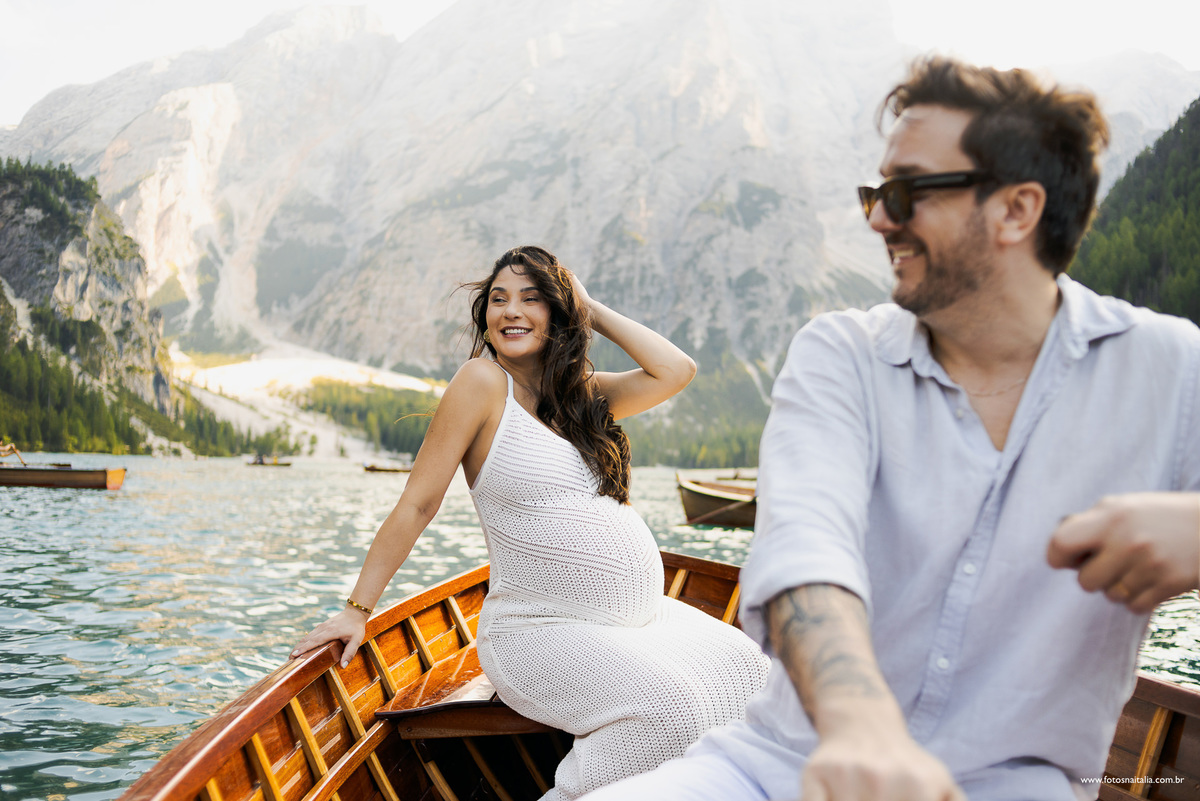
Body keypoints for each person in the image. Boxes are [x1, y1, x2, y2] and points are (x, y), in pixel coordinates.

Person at [581, 56, 1200, 801]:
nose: (877, 216)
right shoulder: (841, 353)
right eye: (875, 191)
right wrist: (858, 724)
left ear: (1016, 210)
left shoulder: (1173, 369)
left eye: (905, 191)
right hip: (781, 768)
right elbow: (805, 551)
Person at [291, 245, 769, 800]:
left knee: (754, 676)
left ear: (560, 314)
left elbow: (676, 370)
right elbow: (418, 505)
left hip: (635, 625)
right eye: (498, 300)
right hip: (536, 633)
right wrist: (357, 610)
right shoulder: (482, 383)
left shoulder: (582, 395)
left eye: (531, 298)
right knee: (669, 713)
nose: (510, 311)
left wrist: (590, 306)